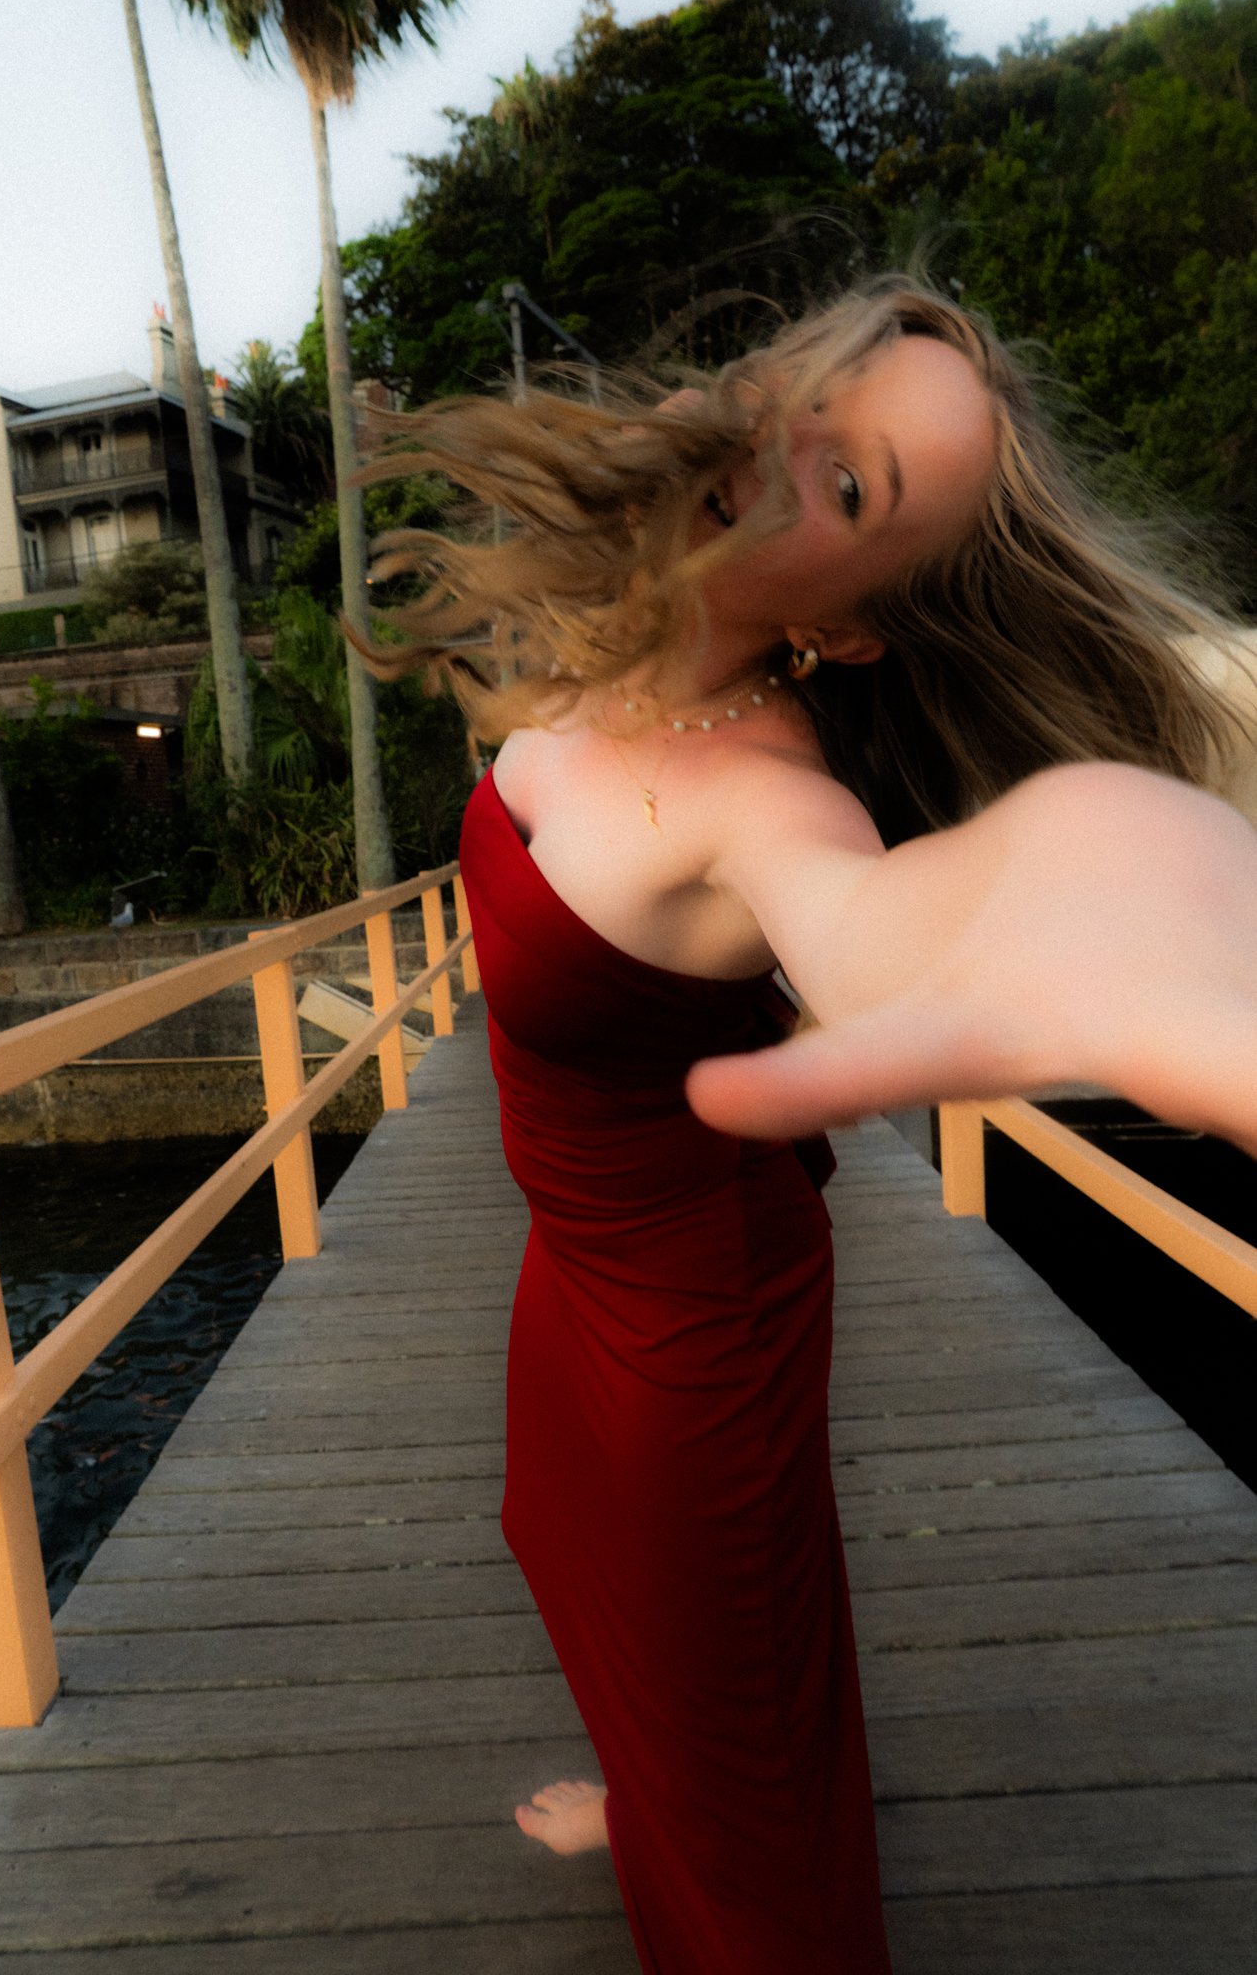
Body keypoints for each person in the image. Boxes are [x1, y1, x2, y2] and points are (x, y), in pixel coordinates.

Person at [357, 276, 1257, 1972]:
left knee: (746, 1763)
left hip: (696, 1318)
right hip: (577, 1272)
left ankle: (715, 1849)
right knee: (561, 1556)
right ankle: (650, 1789)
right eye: (807, 396)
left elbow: (869, 923)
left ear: (848, 627)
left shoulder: (774, 805)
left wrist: (1068, 907)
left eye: (851, 490)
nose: (787, 450)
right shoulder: (600, 656)